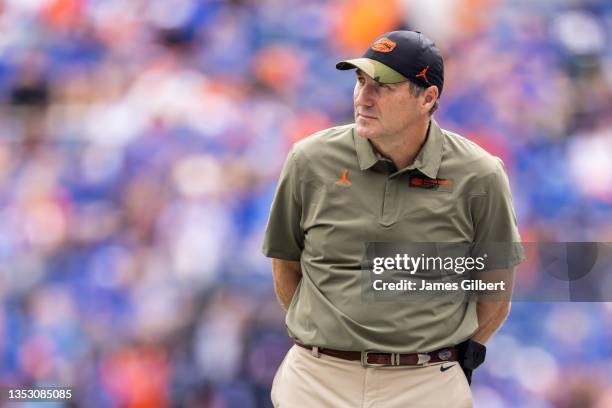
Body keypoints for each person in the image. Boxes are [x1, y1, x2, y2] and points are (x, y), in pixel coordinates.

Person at [262, 30, 524, 407]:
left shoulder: (479, 174)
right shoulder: (310, 159)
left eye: (383, 86)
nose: (363, 97)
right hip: (316, 379)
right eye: (360, 81)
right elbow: (286, 264)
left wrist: (448, 365)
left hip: (424, 384)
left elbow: (496, 291)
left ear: (428, 97)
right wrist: (328, 337)